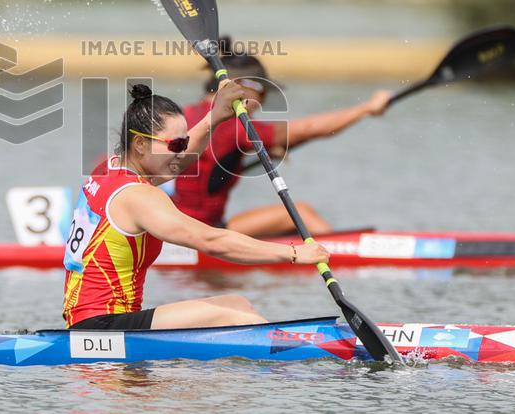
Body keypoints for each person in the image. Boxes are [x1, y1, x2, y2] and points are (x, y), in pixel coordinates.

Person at [63, 83, 331, 331]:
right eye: (176, 145)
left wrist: (216, 116)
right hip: (101, 327)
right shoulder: (138, 197)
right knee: (233, 315)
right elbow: (211, 240)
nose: (183, 152)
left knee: (236, 303)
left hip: (93, 320)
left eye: (183, 143)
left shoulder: (108, 169)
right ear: (141, 144)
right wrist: (294, 253)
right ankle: (289, 363)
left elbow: (183, 157)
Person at [171, 38, 391, 237]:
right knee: (302, 213)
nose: (263, 102)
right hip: (202, 233)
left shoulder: (186, 114)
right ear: (244, 87)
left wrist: (272, 146)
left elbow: (216, 157)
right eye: (263, 93)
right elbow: (309, 128)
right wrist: (367, 108)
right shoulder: (232, 126)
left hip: (181, 226)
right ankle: (338, 255)